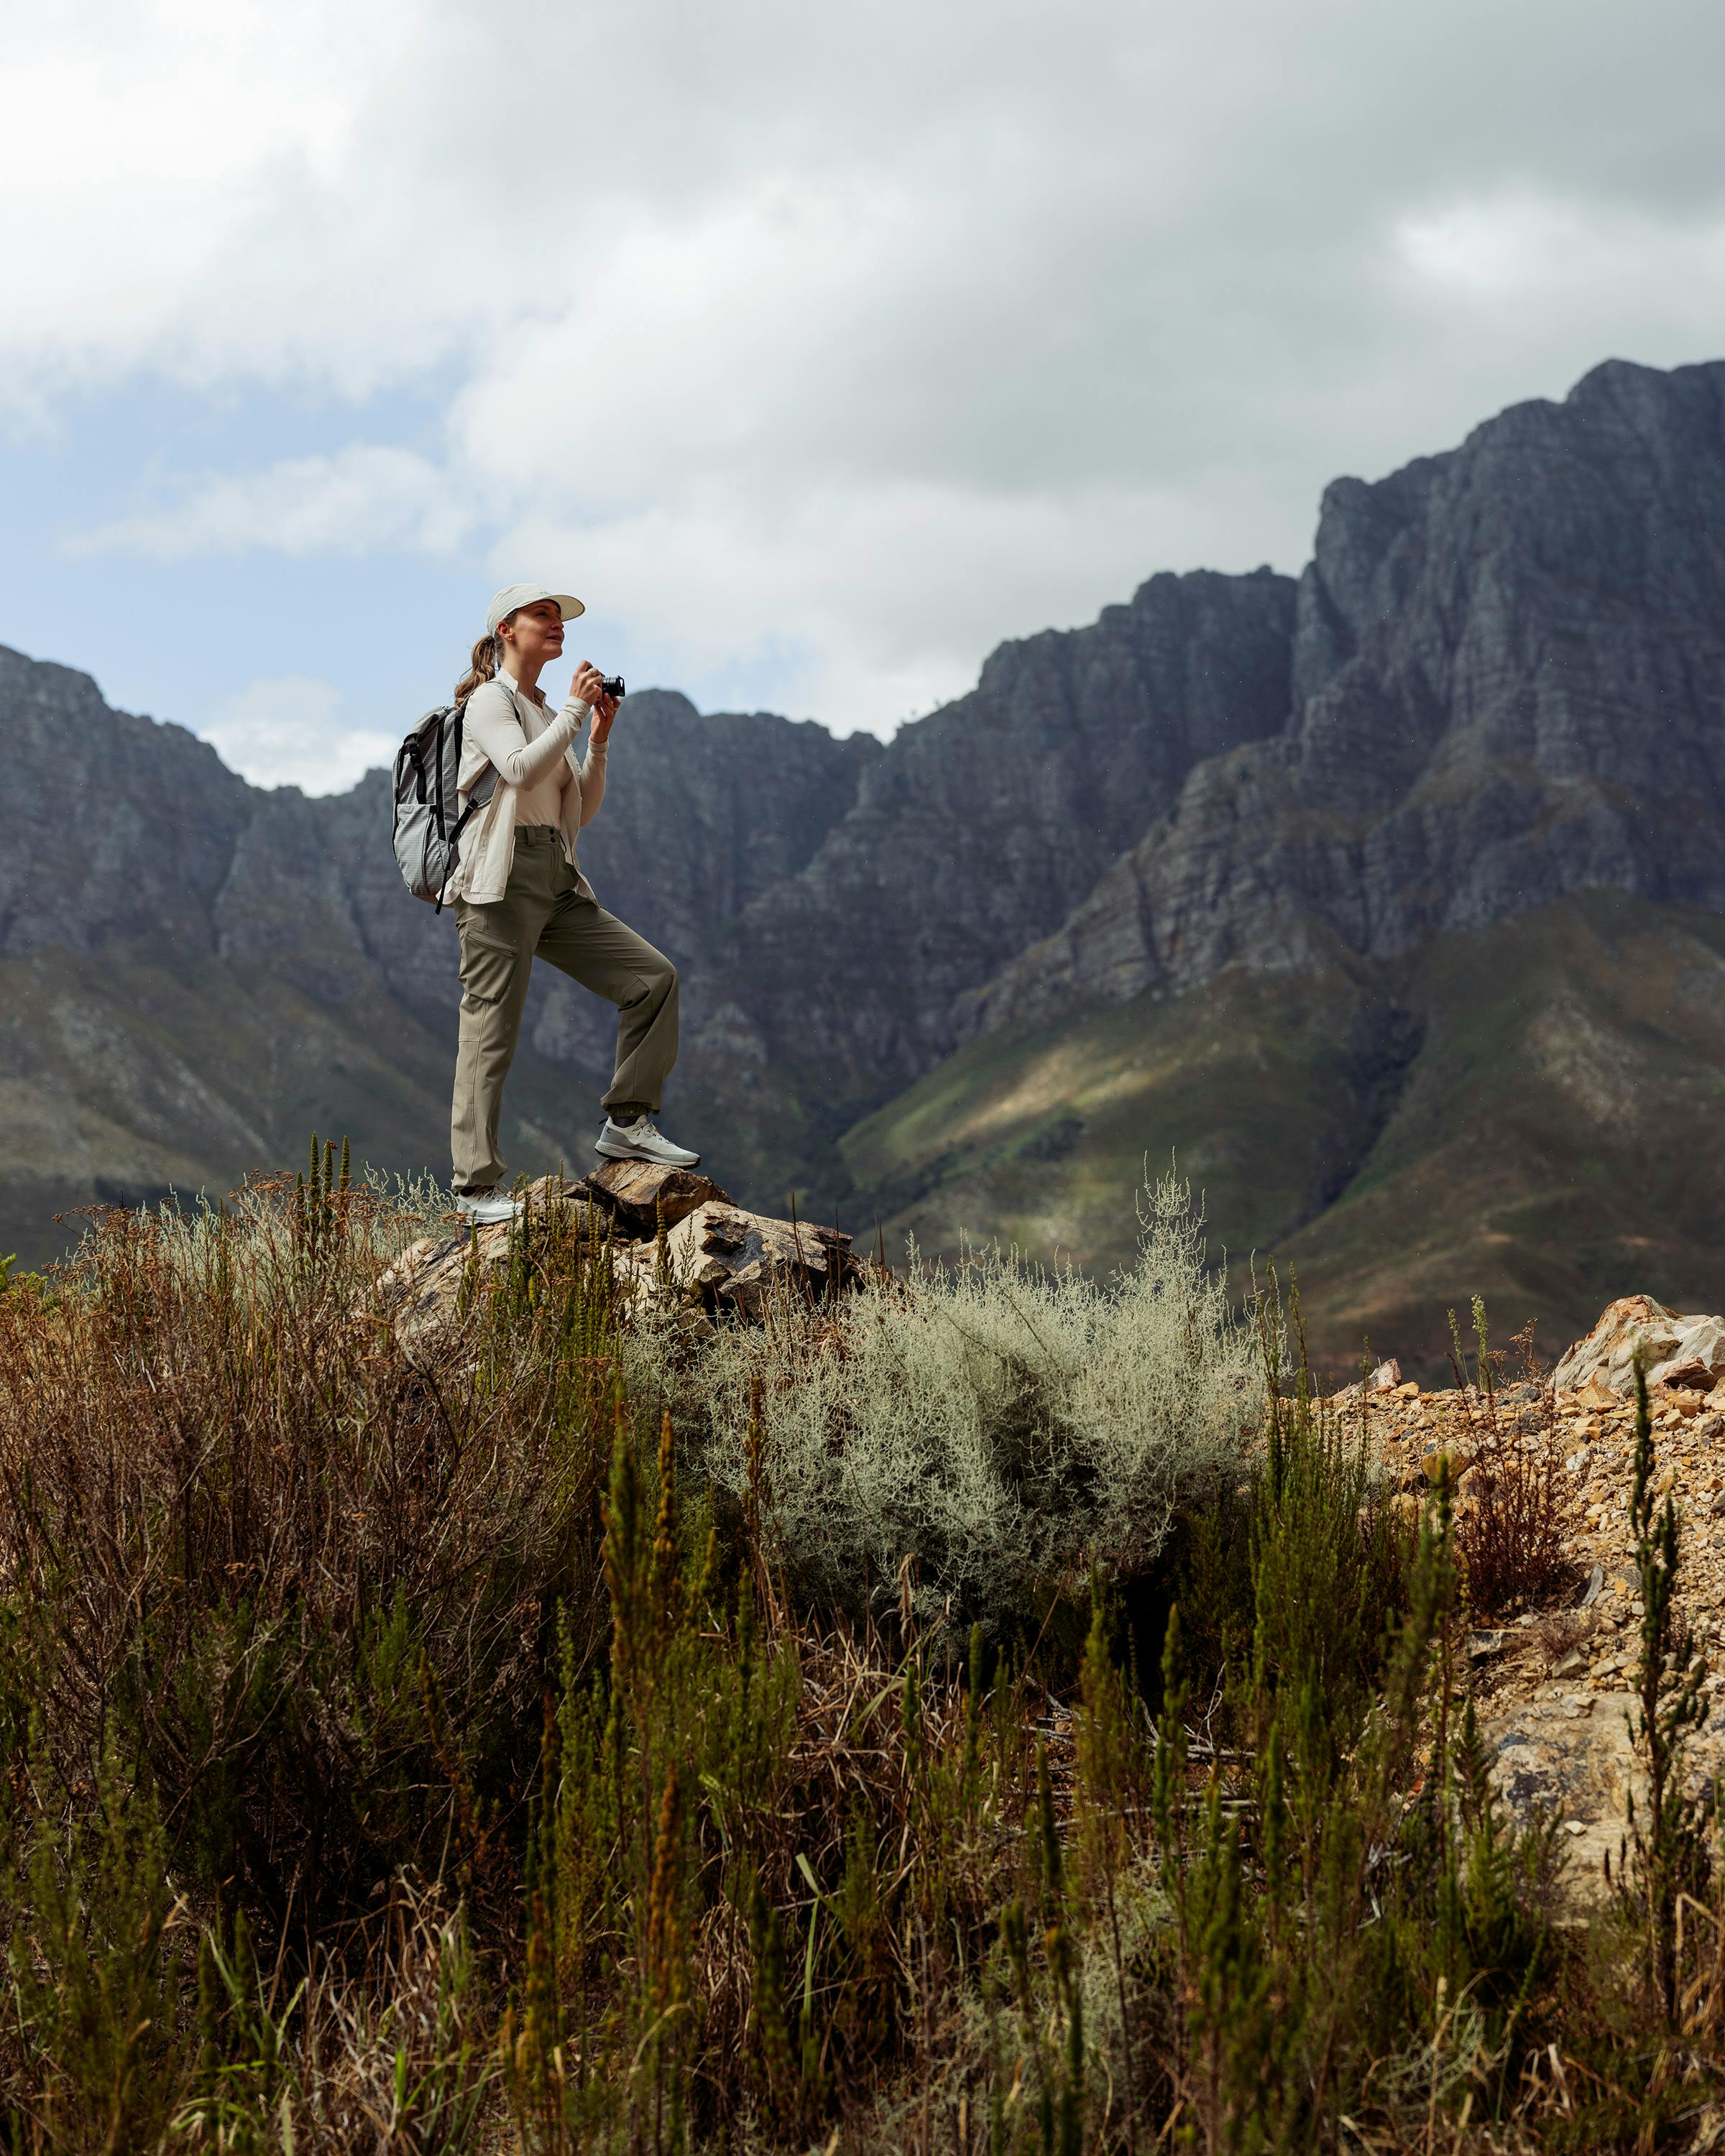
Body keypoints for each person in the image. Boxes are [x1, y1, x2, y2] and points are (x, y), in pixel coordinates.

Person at [443, 581, 699, 1223]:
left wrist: (600, 740)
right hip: (499, 884)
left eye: (561, 619)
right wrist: (574, 714)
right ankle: (475, 1189)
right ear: (507, 628)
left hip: (555, 877)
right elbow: (520, 770)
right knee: (490, 1030)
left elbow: (579, 808)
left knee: (653, 979)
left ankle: (629, 1122)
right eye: (543, 616)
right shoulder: (488, 703)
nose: (557, 626)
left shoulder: (541, 708)